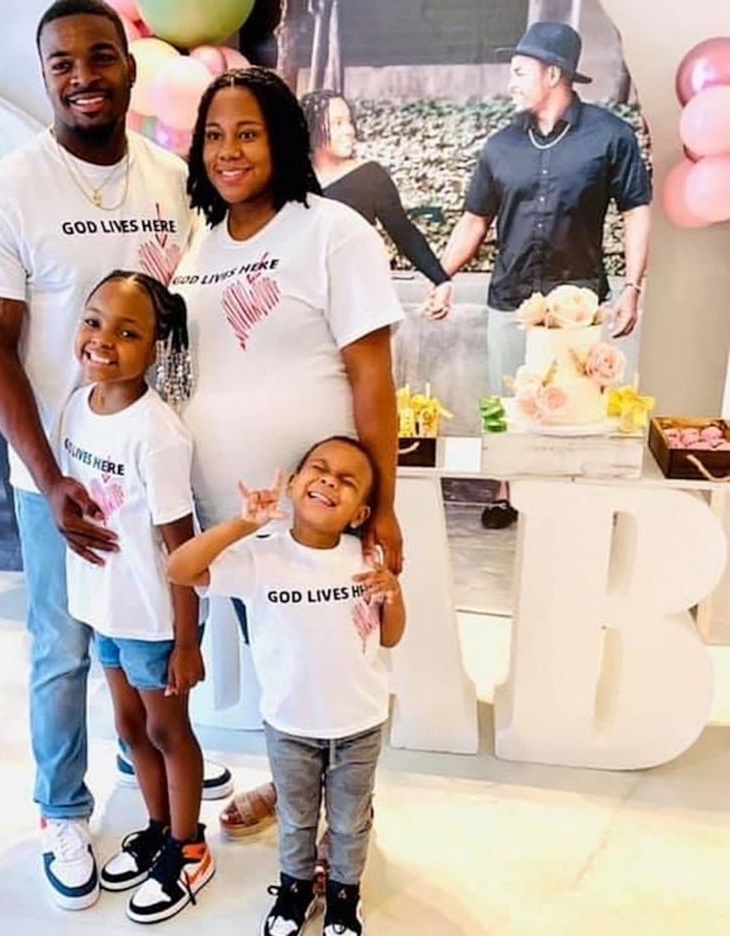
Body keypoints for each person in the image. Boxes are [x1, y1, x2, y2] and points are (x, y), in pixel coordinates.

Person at [0, 0, 229, 912]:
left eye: (100, 56)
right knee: (61, 648)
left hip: (156, 462)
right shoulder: (5, 192)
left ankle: (147, 757)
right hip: (62, 475)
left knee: (152, 629)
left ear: (130, 65)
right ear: (46, 76)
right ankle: (62, 809)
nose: (83, 75)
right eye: (63, 62)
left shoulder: (171, 180)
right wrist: (46, 476)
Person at [170, 66, 403, 838]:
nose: (227, 151)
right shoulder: (201, 244)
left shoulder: (331, 232)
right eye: (213, 135)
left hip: (320, 514)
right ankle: (291, 785)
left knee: (345, 660)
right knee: (284, 659)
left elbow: (372, 375)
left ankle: (350, 815)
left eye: (247, 133)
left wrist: (386, 508)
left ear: (283, 142)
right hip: (237, 514)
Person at [168, 436, 406, 936]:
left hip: (360, 723)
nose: (329, 482)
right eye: (319, 470)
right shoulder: (260, 557)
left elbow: (391, 634)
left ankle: (345, 897)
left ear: (361, 512)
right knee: (298, 818)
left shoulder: (364, 557)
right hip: (289, 724)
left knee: (349, 821)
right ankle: (295, 890)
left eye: (346, 481)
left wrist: (394, 592)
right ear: (295, 484)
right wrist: (242, 524)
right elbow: (180, 569)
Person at [436, 21, 652, 528]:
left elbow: (636, 210)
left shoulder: (610, 136)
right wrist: (438, 275)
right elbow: (473, 221)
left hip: (579, 308)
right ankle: (507, 495)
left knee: (572, 411)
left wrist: (633, 289)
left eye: (518, 71)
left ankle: (569, 499)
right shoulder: (500, 146)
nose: (510, 82)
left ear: (553, 73)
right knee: (508, 403)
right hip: (511, 300)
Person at [58, 270, 212, 922]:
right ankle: (156, 828)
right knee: (127, 727)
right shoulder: (74, 406)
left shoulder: (157, 433)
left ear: (156, 347)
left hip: (152, 617)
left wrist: (185, 640)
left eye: (128, 332)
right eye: (94, 321)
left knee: (166, 729)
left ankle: (189, 846)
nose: (103, 340)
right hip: (105, 607)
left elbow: (183, 549)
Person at [300, 90, 452, 315]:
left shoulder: (370, 176)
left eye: (349, 121)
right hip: (305, 303)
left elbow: (404, 233)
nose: (349, 131)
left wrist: (441, 281)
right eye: (337, 123)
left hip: (359, 302)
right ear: (311, 128)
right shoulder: (291, 180)